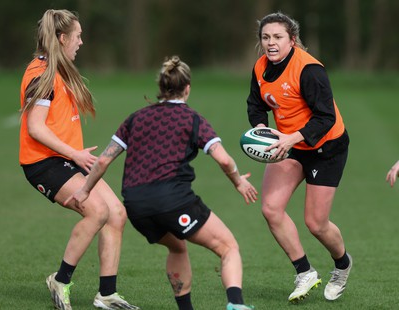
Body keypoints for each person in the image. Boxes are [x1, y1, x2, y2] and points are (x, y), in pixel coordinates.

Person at [65, 56, 257, 310]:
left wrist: (84, 189)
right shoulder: (192, 119)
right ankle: (236, 304)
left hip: (136, 206)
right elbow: (223, 160)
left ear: (162, 87)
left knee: (177, 247)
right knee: (229, 247)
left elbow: (101, 162)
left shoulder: (136, 118)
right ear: (187, 88)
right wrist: (238, 182)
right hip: (173, 201)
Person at [19, 9, 139, 310]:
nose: (81, 42)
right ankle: (60, 280)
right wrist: (74, 153)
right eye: (78, 36)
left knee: (116, 213)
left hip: (66, 159)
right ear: (62, 38)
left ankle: (107, 294)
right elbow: (35, 128)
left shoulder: (57, 69)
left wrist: (73, 155)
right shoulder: (42, 75)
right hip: (43, 163)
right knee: (97, 211)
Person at [246, 12, 352, 302]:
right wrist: (260, 129)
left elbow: (325, 117)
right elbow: (255, 104)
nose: (271, 43)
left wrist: (291, 137)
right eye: (266, 37)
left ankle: (342, 264)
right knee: (271, 209)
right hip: (289, 145)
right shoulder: (260, 67)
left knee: (316, 223)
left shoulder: (309, 70)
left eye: (278, 37)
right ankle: (304, 272)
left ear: (292, 40)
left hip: (326, 148)